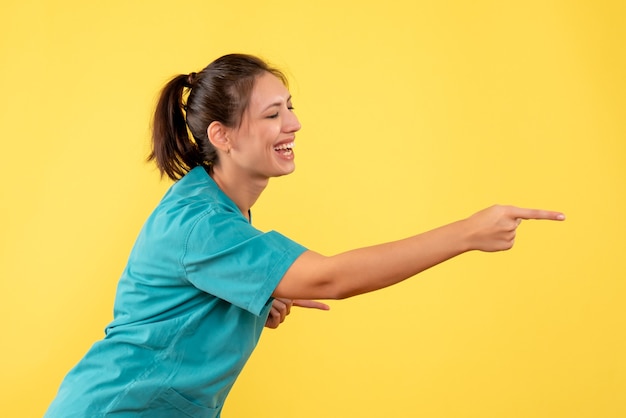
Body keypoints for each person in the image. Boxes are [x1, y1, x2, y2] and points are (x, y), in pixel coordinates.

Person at [44, 53, 565, 417]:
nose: (294, 124)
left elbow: (175, 305)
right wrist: (468, 233)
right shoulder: (201, 223)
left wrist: (242, 302)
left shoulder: (218, 209)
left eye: (290, 106)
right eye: (273, 114)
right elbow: (330, 277)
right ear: (221, 136)